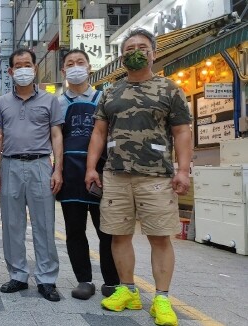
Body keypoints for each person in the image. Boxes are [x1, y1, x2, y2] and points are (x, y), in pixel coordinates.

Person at [85, 28, 192, 326]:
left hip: (156, 176)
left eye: (142, 47)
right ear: (122, 56)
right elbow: (99, 132)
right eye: (130, 47)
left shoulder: (169, 89)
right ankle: (128, 290)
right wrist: (91, 167)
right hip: (116, 175)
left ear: (153, 53)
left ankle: (161, 298)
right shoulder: (110, 91)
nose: (136, 51)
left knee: (160, 237)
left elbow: (182, 131)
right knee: (119, 235)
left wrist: (183, 170)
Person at [0, 48, 63, 302]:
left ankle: (46, 279)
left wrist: (58, 169)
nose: (23, 69)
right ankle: (18, 275)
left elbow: (56, 135)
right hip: (9, 165)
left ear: (35, 68)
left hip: (41, 165)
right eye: (18, 66)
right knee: (12, 224)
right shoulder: (1, 103)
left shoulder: (49, 100)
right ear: (10, 71)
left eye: (27, 65)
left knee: (44, 223)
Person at [56, 49, 120, 300]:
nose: (75, 67)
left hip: (102, 174)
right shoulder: (58, 103)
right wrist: (57, 170)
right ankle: (84, 280)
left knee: (107, 229)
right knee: (74, 230)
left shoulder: (105, 98)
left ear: (89, 67)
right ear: (63, 71)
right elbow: (55, 138)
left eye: (79, 62)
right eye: (70, 64)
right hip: (70, 175)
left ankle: (112, 281)